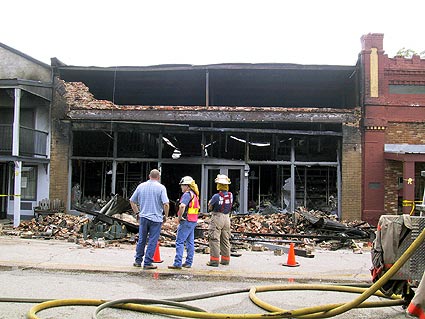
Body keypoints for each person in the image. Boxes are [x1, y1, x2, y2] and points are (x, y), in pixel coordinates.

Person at [130, 169, 169, 270]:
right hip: (156, 219)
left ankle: (138, 261)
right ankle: (147, 262)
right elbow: (166, 204)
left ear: (149, 176)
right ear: (158, 177)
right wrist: (166, 215)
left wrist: (137, 213)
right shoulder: (161, 188)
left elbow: (132, 201)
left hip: (143, 217)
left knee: (142, 239)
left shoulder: (141, 186)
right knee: (152, 240)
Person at [168, 176, 200, 269]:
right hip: (193, 221)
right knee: (190, 242)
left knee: (179, 242)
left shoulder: (187, 195)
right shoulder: (194, 195)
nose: (181, 187)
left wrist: (179, 217)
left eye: (183, 185)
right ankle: (188, 262)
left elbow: (182, 206)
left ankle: (177, 263)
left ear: (188, 186)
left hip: (186, 221)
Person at [207, 174, 233, 267]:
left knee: (214, 239)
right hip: (227, 218)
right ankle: (225, 260)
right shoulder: (230, 195)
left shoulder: (216, 196)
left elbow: (210, 207)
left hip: (217, 217)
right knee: (225, 239)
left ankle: (214, 261)